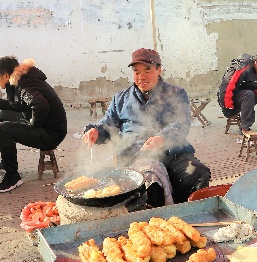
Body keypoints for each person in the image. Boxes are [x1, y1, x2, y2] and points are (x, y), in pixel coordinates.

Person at [82, 48, 211, 206]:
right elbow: (108, 124)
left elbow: (182, 123)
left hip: (173, 153)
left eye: (147, 71)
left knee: (197, 172)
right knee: (151, 181)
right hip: (136, 156)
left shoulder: (176, 94)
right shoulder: (121, 99)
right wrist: (96, 130)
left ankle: (185, 213)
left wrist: (162, 138)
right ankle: (155, 222)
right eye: (136, 72)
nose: (141, 77)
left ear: (159, 70)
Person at [0, 57, 68, 192]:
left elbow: (40, 105)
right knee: (4, 115)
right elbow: (17, 106)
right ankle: (8, 163)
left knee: (2, 129)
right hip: (48, 127)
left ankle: (13, 176)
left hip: (50, 134)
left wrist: (33, 126)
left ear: (6, 76)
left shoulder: (25, 84)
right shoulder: (21, 79)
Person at [218, 49, 257, 133]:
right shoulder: (242, 67)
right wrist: (229, 108)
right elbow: (227, 88)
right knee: (249, 95)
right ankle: (245, 128)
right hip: (228, 102)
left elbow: (251, 84)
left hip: (242, 95)